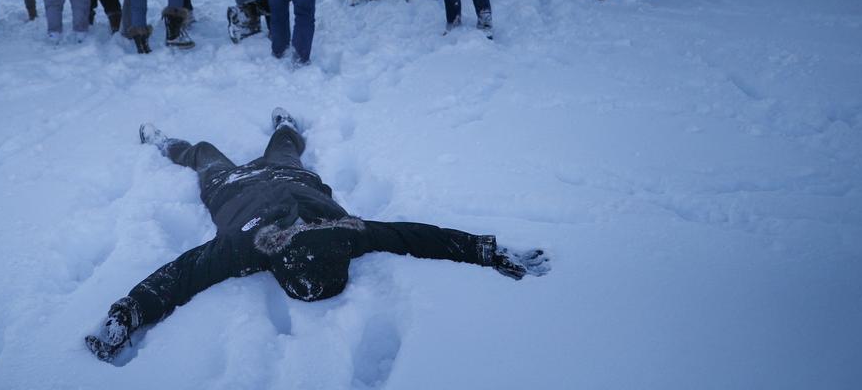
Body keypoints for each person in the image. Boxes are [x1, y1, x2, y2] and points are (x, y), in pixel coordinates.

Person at [85, 107, 549, 363]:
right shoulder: (348, 231)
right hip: (290, 177)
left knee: (205, 154)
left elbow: (181, 276)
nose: (304, 228)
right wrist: (485, 250)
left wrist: (127, 312)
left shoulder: (245, 246)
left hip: (229, 190)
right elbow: (416, 237)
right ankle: (286, 124)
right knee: (284, 147)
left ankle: (166, 143)